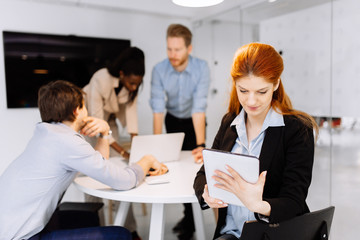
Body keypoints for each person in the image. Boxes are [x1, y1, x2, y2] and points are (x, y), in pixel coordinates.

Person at [0, 80, 167, 240]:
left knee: (88, 218)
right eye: (84, 106)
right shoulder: (68, 142)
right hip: (21, 236)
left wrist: (104, 133)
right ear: (76, 111)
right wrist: (147, 160)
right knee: (121, 235)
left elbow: (99, 163)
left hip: (11, 227)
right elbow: (124, 181)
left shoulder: (46, 134)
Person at [193, 43, 319, 240]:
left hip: (275, 234)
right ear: (235, 85)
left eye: (261, 92)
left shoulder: (297, 129)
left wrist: (258, 205)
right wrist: (206, 195)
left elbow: (294, 201)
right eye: (243, 91)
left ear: (276, 84)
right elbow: (203, 174)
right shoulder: (229, 122)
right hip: (233, 234)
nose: (251, 101)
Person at [149, 23, 211, 240]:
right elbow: (158, 110)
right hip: (173, 120)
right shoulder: (159, 70)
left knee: (195, 167)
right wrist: (155, 149)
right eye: (169, 49)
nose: (172, 55)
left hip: (195, 122)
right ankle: (188, 218)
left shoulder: (201, 68)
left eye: (178, 50)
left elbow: (198, 109)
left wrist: (201, 146)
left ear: (189, 49)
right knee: (174, 166)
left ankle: (191, 220)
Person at [83, 46, 145, 159]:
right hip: (89, 121)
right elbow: (97, 120)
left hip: (109, 120)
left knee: (116, 158)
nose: (135, 88)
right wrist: (124, 153)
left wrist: (136, 151)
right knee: (95, 158)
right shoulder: (101, 79)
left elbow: (132, 119)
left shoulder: (132, 87)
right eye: (132, 83)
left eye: (138, 84)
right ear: (121, 74)